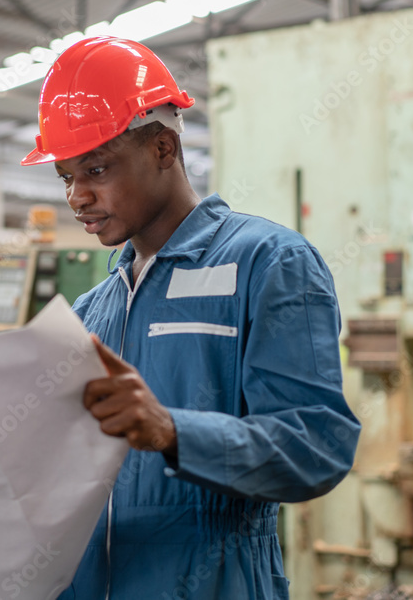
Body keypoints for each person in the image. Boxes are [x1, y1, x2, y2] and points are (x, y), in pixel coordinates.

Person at [21, 36, 360, 599]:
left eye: (96, 169)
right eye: (66, 178)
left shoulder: (266, 263)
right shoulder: (90, 310)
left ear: (162, 148)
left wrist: (173, 433)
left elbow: (317, 446)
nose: (77, 197)